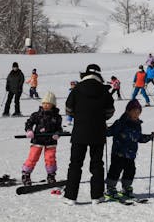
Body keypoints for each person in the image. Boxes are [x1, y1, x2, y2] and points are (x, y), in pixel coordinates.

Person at [64, 64, 115, 205]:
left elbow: (68, 109)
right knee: (97, 164)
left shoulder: (77, 89)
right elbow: (110, 111)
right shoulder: (104, 90)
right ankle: (96, 196)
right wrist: (100, 118)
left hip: (79, 132)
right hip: (98, 133)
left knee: (75, 164)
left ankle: (70, 197)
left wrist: (79, 117)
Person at [104, 100, 154, 201]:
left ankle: (126, 188)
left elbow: (138, 138)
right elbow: (110, 132)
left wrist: (148, 137)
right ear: (128, 111)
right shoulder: (120, 123)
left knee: (130, 171)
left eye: (138, 112)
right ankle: (110, 189)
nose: (137, 114)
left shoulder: (137, 124)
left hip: (131, 154)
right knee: (115, 170)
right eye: (134, 112)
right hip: (119, 153)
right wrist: (104, 129)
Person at [22, 91, 63, 186]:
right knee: (33, 157)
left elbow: (59, 128)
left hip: (51, 141)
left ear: (53, 104)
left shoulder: (57, 117)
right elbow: (29, 123)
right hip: (38, 140)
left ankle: (51, 175)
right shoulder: (37, 114)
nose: (45, 105)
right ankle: (26, 174)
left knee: (50, 158)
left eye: (48, 103)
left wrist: (57, 134)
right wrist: (29, 130)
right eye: (44, 103)